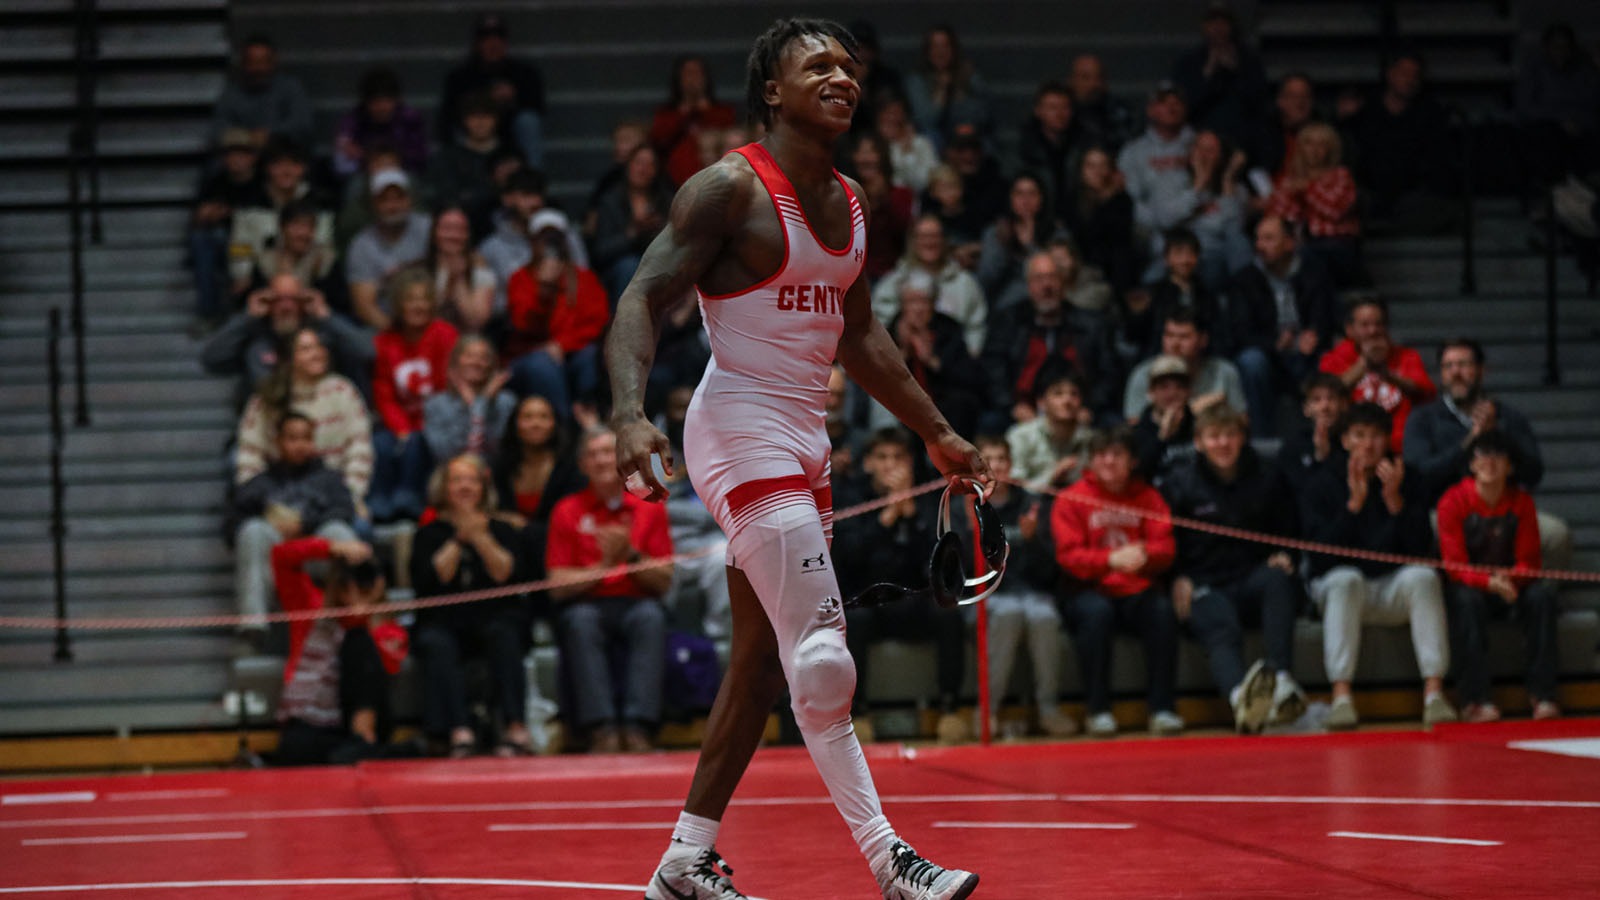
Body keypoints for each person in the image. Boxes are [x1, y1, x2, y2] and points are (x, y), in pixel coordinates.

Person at [605, 18, 983, 899]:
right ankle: (893, 863)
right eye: (818, 64)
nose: (842, 75)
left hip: (803, 440)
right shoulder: (728, 189)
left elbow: (861, 336)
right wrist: (628, 414)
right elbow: (642, 296)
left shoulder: (853, 202)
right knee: (821, 657)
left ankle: (683, 861)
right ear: (772, 90)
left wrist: (937, 432)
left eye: (849, 66)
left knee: (762, 663)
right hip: (738, 429)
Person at [1301, 402, 1457, 729]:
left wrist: (1395, 503)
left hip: (1390, 588)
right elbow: (1319, 559)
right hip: (1339, 590)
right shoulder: (1321, 480)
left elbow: (1421, 549)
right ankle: (1341, 696)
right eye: (1359, 435)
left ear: (1387, 440)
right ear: (1344, 440)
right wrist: (1353, 507)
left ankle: (1434, 693)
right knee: (1345, 579)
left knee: (1424, 577)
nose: (1368, 445)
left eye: (1376, 436)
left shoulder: (1407, 478)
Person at [1161, 405, 1304, 733]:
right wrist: (1175, 577)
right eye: (1214, 436)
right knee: (1220, 623)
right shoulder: (1179, 483)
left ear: (1241, 438)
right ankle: (1243, 701)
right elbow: (1166, 539)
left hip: (1252, 576)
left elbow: (1291, 528)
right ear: (1199, 442)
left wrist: (1284, 554)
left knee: (1278, 582)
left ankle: (1282, 683)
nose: (1222, 443)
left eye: (1230, 435)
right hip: (1203, 582)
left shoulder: (1268, 475)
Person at [836, 429, 969, 744]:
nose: (890, 466)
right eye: (882, 458)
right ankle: (859, 712)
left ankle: (950, 708)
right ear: (868, 463)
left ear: (910, 463)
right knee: (854, 619)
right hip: (871, 599)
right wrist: (888, 516)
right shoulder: (852, 498)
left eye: (898, 458)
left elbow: (940, 568)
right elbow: (850, 559)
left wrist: (911, 517)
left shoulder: (927, 499)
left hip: (914, 599)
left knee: (949, 612)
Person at [546, 428, 673, 752]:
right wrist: (603, 565)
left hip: (637, 600)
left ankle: (637, 726)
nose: (601, 460)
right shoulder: (567, 510)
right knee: (579, 622)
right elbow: (557, 585)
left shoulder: (649, 506)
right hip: (587, 603)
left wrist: (629, 554)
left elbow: (665, 579)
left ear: (622, 460)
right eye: (593, 454)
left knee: (651, 618)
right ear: (582, 464)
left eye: (608, 452)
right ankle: (600, 728)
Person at [1053, 426, 1182, 738]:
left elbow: (1166, 548)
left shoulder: (1148, 497)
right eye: (1101, 455)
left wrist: (1144, 554)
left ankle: (1162, 709)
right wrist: (1110, 560)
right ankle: (1097, 710)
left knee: (1163, 613)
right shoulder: (1071, 499)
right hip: (1089, 589)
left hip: (1136, 586)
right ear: (1091, 460)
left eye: (1116, 454)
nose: (1108, 461)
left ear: (1132, 460)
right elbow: (1068, 556)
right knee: (1096, 615)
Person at [1404, 338, 1572, 569]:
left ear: (1482, 370)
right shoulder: (1423, 418)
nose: (1456, 373)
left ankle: (1530, 597)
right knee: (1422, 531)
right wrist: (1471, 440)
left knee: (1556, 534)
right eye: (1448, 366)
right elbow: (1418, 476)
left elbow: (1533, 473)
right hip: (1444, 511)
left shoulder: (1507, 417)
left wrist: (1497, 433)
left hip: (1504, 511)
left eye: (1464, 364)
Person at [409, 453, 533, 756]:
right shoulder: (428, 534)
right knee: (436, 642)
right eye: (457, 480)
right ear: (444, 488)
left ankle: (515, 727)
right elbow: (435, 578)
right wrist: (458, 538)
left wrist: (480, 536)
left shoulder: (503, 530)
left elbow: (505, 573)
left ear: (483, 487)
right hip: (445, 621)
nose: (465, 487)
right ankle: (458, 729)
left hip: (495, 617)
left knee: (505, 633)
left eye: (472, 480)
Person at [1437, 430, 1562, 723]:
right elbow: (1454, 565)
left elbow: (1529, 561)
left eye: (1498, 456)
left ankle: (1543, 695)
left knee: (1542, 597)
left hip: (1512, 587)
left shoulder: (1521, 503)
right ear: (1471, 464)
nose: (1490, 462)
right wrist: (1488, 582)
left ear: (1510, 466)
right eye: (1482, 455)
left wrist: (1510, 581)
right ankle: (1476, 699)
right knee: (1465, 602)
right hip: (1471, 587)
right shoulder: (1453, 502)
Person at [961, 437, 1075, 737]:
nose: (996, 466)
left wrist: (1034, 539)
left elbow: (1050, 568)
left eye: (1002, 459)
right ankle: (987, 711)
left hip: (1031, 592)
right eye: (989, 459)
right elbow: (959, 570)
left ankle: (1048, 710)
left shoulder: (1031, 504)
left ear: (1011, 466)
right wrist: (968, 532)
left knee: (1045, 618)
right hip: (988, 596)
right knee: (1009, 613)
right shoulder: (967, 505)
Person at [270, 535, 409, 765]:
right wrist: (332, 548)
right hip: (314, 722)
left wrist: (366, 616)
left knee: (359, 641)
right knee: (295, 747)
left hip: (362, 716)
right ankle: (381, 752)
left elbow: (383, 671)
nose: (357, 586)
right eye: (349, 582)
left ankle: (363, 741)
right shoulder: (311, 608)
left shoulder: (387, 626)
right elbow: (280, 557)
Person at [226, 412, 358, 645]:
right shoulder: (260, 483)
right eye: (292, 438)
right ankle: (254, 623)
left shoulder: (329, 480)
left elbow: (344, 511)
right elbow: (231, 524)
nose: (300, 445)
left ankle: (353, 616)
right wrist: (271, 525)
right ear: (278, 442)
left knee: (340, 531)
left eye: (306, 438)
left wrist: (304, 525)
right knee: (253, 530)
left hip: (315, 554)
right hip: (277, 559)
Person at [235, 327, 374, 521]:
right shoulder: (264, 400)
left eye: (319, 347)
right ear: (289, 358)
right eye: (307, 349)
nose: (317, 353)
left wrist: (349, 496)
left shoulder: (344, 391)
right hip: (277, 497)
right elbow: (249, 457)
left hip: (333, 496)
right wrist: (266, 504)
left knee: (359, 529)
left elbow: (360, 451)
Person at [1227, 215, 1341, 436]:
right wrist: (1275, 343)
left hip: (1306, 353)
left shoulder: (1314, 272)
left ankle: (1325, 434)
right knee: (1251, 362)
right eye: (1258, 239)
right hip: (1268, 354)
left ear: (1289, 242)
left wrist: (1315, 333)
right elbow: (1240, 332)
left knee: (1330, 359)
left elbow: (1326, 315)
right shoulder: (1245, 280)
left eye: (1269, 239)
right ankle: (1261, 436)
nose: (1260, 246)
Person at [982, 251, 1117, 431]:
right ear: (1029, 285)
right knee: (990, 424)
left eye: (1052, 277)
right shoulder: (1008, 322)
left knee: (1113, 425)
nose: (1047, 285)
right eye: (1039, 279)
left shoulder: (1093, 324)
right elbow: (992, 368)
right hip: (1020, 409)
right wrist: (1012, 406)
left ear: (1064, 282)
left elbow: (1109, 373)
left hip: (1080, 408)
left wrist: (1090, 407)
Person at [202, 272, 374, 411]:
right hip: (265, 421)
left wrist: (326, 316)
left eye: (292, 300)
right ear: (267, 302)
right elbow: (210, 359)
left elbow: (368, 352)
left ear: (302, 302)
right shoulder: (254, 336)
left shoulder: (322, 335)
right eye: (278, 300)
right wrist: (247, 318)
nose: (286, 307)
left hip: (320, 417)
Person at [503, 210, 610, 421]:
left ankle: (589, 418)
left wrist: (562, 344)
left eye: (556, 239)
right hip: (529, 355)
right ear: (533, 243)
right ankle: (562, 426)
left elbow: (597, 321)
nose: (550, 245)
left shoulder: (583, 278)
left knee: (589, 356)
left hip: (572, 351)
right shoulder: (521, 278)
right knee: (542, 364)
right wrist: (543, 292)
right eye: (544, 239)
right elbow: (522, 325)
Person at [369, 268, 457, 522]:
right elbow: (384, 393)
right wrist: (402, 429)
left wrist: (420, 429)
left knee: (419, 443)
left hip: (436, 423)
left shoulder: (444, 334)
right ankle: (379, 501)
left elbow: (446, 387)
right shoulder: (385, 342)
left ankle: (409, 497)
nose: (418, 306)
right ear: (399, 304)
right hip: (399, 423)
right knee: (381, 444)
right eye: (411, 299)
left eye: (424, 299)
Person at [1341, 48, 1457, 232]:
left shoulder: (1429, 114)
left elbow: (1436, 163)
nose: (1410, 80)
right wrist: (1343, 117)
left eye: (1415, 75)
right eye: (1404, 73)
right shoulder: (1367, 109)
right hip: (1370, 191)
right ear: (1390, 74)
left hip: (1410, 196)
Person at [1318, 296, 1435, 451]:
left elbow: (1426, 393)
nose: (1373, 331)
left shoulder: (1407, 356)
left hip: (1399, 447)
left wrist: (1388, 375)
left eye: (1378, 324)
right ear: (1349, 329)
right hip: (1349, 447)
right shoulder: (1334, 359)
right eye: (1365, 325)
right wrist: (1364, 364)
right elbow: (1326, 395)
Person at [870, 214, 987, 356]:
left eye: (935, 236)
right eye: (923, 236)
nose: (929, 242)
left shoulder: (965, 283)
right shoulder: (892, 283)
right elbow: (877, 328)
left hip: (952, 365)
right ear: (913, 241)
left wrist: (964, 362)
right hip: (901, 364)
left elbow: (976, 328)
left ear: (945, 240)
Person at [438, 13, 546, 167]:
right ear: (477, 43)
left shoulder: (524, 74)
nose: (493, 44)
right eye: (487, 39)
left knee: (529, 122)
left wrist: (514, 98)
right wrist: (485, 101)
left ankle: (530, 179)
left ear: (505, 42)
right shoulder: (460, 76)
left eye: (498, 38)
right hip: (471, 134)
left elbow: (538, 107)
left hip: (510, 137)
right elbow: (447, 115)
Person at [1264, 122, 1361, 286]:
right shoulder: (1289, 180)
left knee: (1308, 259)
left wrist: (1308, 190)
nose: (1315, 150)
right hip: (1299, 245)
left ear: (1330, 149)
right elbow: (1278, 218)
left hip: (1335, 245)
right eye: (1309, 144)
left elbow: (1334, 212)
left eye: (1322, 145)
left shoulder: (1341, 176)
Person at [190, 128, 265, 331]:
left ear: (253, 157)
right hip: (225, 247)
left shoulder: (263, 184)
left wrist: (230, 214)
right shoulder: (216, 182)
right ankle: (209, 313)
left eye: (243, 153)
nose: (237, 159)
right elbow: (198, 217)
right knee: (205, 240)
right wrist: (207, 215)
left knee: (236, 246)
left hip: (254, 249)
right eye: (232, 153)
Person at [1168, 2, 1268, 147]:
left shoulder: (1249, 60)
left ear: (1231, 26)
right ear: (1204, 26)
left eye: (1223, 22)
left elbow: (1259, 102)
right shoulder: (1188, 62)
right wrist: (1207, 74)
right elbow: (1182, 107)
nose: (1218, 27)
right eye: (1213, 22)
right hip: (1201, 141)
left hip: (1243, 141)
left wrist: (1235, 71)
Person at [346, 169, 433, 330]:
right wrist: (400, 339)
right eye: (385, 200)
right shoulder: (361, 246)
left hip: (433, 322)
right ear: (374, 205)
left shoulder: (429, 229)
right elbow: (364, 307)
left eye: (399, 198)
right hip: (387, 328)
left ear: (409, 200)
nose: (393, 206)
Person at [1122, 308, 1245, 423]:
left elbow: (1242, 422)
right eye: (1169, 336)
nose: (1175, 344)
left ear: (1203, 340)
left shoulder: (1224, 372)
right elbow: (1134, 428)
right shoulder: (1143, 374)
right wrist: (1193, 409)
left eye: (1184, 337)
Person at [1516, 23, 1600, 186]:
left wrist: (1577, 122)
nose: (1561, 52)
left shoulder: (1583, 69)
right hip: (1546, 129)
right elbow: (1525, 108)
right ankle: (1554, 192)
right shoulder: (1534, 68)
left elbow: (1592, 102)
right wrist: (1559, 120)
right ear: (1546, 47)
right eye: (1556, 47)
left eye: (1566, 47)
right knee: (1546, 140)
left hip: (1580, 127)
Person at [591, 144, 675, 299]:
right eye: (639, 163)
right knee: (629, 266)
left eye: (650, 165)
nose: (643, 169)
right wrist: (633, 233)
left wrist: (658, 228)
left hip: (658, 262)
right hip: (619, 268)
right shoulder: (610, 201)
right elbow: (601, 251)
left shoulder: (666, 200)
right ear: (628, 165)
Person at [1118, 82, 1195, 250]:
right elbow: (1130, 198)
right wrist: (1159, 221)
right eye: (1164, 103)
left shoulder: (1200, 145)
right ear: (1151, 110)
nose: (1171, 107)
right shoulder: (1134, 151)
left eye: (1177, 103)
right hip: (1151, 233)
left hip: (1196, 227)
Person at [422, 334, 516, 464]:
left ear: (492, 365)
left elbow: (500, 450)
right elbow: (444, 453)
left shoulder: (507, 402)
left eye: (484, 358)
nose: (476, 362)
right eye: (469, 356)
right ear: (456, 362)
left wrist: (486, 404)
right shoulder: (436, 404)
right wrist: (468, 408)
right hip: (451, 475)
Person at [426, 90, 507, 241]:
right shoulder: (449, 157)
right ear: (464, 120)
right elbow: (448, 197)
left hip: (505, 227)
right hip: (466, 228)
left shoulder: (510, 153)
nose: (481, 122)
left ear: (496, 119)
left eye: (486, 116)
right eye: (474, 116)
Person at [651, 56, 740, 187]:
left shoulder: (723, 112)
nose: (693, 79)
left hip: (718, 180)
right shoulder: (665, 115)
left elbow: (732, 138)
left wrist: (705, 110)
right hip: (673, 183)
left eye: (697, 73)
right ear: (679, 79)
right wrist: (683, 114)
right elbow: (658, 141)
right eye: (688, 74)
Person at [212, 35, 313, 149]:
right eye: (252, 62)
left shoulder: (290, 88)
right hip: (246, 155)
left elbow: (302, 123)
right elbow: (218, 130)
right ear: (243, 64)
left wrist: (270, 134)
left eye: (263, 61)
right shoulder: (232, 94)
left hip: (281, 154)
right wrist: (247, 137)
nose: (258, 68)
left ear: (273, 62)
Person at [1061, 146, 1138, 293]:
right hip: (1081, 264)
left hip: (1114, 269)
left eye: (1103, 165)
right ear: (1081, 170)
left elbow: (1119, 238)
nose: (1097, 171)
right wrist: (1106, 198)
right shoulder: (1071, 201)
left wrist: (1108, 198)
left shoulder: (1122, 199)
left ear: (1110, 169)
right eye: (1091, 165)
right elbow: (1085, 238)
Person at [976, 172, 1062, 303]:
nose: (1026, 200)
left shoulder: (1056, 232)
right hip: (1008, 304)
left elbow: (1065, 274)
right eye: (1019, 194)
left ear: (1042, 198)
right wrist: (1004, 245)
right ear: (1010, 199)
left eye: (1032, 194)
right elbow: (986, 279)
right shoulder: (996, 233)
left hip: (1049, 300)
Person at [903, 24, 992, 149]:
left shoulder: (969, 75)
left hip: (966, 133)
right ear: (927, 51)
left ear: (954, 49)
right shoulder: (917, 81)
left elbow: (984, 113)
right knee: (930, 138)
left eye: (945, 46)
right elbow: (926, 121)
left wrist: (970, 124)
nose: (941, 52)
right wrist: (941, 90)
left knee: (984, 144)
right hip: (936, 138)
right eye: (935, 47)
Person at [1005, 372, 1096, 492]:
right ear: (1041, 402)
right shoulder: (1021, 436)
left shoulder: (1091, 439)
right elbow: (1014, 486)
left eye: (1074, 394)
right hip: (1031, 505)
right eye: (1058, 394)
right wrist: (1052, 477)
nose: (1067, 400)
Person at [333, 67, 428, 181]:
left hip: (402, 175)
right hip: (367, 178)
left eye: (387, 101)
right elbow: (342, 165)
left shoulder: (410, 119)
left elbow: (419, 158)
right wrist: (364, 160)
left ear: (396, 99)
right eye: (376, 102)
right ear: (366, 102)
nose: (382, 107)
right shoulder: (353, 121)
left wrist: (389, 162)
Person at [844, 132, 915, 282]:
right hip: (853, 274)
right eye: (861, 153)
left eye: (872, 152)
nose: (866, 159)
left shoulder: (901, 195)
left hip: (895, 273)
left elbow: (904, 233)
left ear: (882, 157)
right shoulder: (844, 194)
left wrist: (882, 201)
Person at [1019, 81, 1090, 215]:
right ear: (1038, 110)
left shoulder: (1084, 146)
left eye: (1065, 107)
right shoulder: (1024, 148)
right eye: (1052, 107)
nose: (1059, 113)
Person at [422, 207, 495, 333]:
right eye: (447, 229)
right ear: (434, 233)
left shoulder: (481, 274)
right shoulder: (420, 272)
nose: (453, 235)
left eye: (460, 230)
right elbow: (421, 317)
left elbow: (476, 321)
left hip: (464, 344)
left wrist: (458, 280)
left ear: (467, 235)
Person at [1131, 354, 1197, 485]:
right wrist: (1162, 437)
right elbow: (1137, 477)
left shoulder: (1200, 426)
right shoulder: (1136, 434)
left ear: (1189, 392)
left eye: (1179, 386)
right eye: (1164, 387)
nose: (1172, 393)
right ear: (1151, 392)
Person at [1278, 372, 1349, 495]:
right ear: (1306, 409)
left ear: (1343, 404)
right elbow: (1296, 493)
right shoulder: (1293, 446)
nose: (1325, 406)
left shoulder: (1355, 441)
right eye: (1317, 400)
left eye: (1331, 398)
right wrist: (1319, 458)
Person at [1067, 54, 1139, 154]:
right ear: (1072, 81)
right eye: (1085, 78)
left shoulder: (1121, 114)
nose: (1094, 84)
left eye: (1099, 77)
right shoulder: (1063, 115)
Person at [873, 96, 938, 193]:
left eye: (896, 112)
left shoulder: (921, 144)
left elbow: (924, 182)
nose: (892, 117)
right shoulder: (873, 147)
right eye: (888, 112)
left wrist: (907, 152)